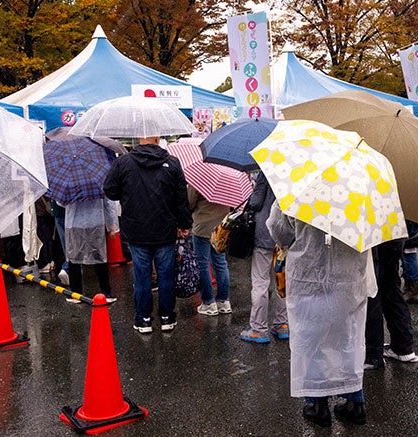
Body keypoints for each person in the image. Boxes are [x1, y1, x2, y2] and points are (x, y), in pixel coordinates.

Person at [266, 205, 377, 427]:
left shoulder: (298, 185)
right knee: (349, 337)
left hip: (310, 276)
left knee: (311, 339)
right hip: (350, 275)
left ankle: (317, 405)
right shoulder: (360, 191)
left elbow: (279, 231)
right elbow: (373, 231)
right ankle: (355, 402)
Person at [104, 136, 192, 334]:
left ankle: (143, 319)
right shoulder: (172, 162)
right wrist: (184, 224)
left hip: (136, 229)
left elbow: (110, 191)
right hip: (165, 228)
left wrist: (128, 194)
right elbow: (181, 197)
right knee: (166, 276)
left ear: (138, 138)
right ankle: (167, 317)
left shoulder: (123, 163)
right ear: (158, 138)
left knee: (142, 276)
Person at [240, 173, 288, 343]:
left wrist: (252, 197)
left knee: (260, 281)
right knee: (282, 281)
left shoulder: (267, 170)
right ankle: (282, 324)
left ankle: (258, 329)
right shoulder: (295, 170)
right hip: (286, 235)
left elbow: (256, 202)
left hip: (264, 234)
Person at [366, 239, 418, 370]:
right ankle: (403, 347)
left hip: (372, 241)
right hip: (391, 235)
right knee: (391, 288)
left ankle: (372, 355)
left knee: (372, 292)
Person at [63, 196, 118, 303]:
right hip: (96, 222)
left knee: (74, 258)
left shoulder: (69, 181)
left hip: (74, 223)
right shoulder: (98, 180)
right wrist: (112, 224)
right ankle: (106, 292)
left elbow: (61, 202)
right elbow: (108, 202)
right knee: (99, 257)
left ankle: (75, 292)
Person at [188, 185, 232, 315]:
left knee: (202, 264)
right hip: (221, 227)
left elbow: (189, 203)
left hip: (202, 227)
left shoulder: (199, 180)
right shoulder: (228, 177)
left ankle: (208, 302)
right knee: (220, 263)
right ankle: (224, 301)